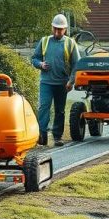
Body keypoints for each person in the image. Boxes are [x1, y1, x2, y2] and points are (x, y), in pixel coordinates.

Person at [31, 14, 81, 147]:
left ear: (65, 29)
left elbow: (77, 64)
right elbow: (34, 59)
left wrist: (71, 81)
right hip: (46, 82)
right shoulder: (44, 41)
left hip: (62, 83)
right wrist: (40, 64)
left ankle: (57, 137)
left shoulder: (70, 43)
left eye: (60, 29)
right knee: (44, 108)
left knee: (60, 110)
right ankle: (42, 136)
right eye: (55, 29)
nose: (57, 31)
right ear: (52, 28)